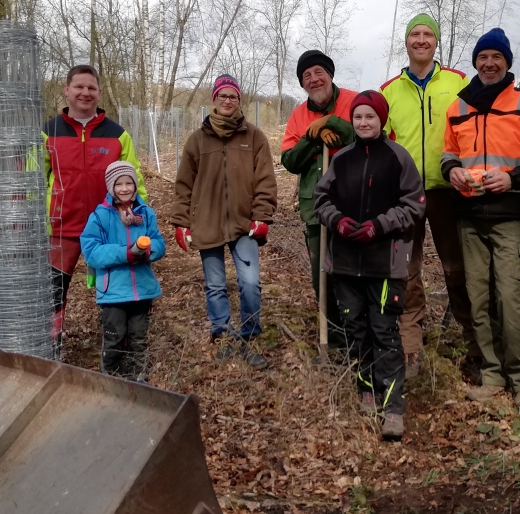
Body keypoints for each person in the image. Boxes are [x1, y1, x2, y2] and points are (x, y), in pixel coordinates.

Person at [442, 28, 520, 412]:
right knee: (479, 298)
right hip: (468, 215)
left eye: (497, 58)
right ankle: (491, 375)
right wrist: (451, 171)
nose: (489, 63)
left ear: (507, 63)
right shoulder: (458, 106)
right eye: (483, 57)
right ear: (475, 62)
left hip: (510, 217)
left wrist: (511, 178)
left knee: (510, 298)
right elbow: (447, 154)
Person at [314, 90, 425, 441]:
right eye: (358, 117)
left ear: (382, 120)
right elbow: (322, 199)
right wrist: (339, 223)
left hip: (384, 262)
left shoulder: (398, 158)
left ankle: (393, 407)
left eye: (370, 117)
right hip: (345, 263)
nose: (363, 123)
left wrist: (379, 224)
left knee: (384, 332)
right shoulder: (341, 159)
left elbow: (414, 204)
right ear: (352, 120)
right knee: (356, 331)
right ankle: (367, 390)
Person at [380, 13, 476, 382]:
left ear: (436, 41)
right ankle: (410, 349)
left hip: (450, 191)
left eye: (427, 35)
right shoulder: (390, 89)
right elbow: (382, 142)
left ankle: (475, 348)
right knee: (406, 270)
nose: (420, 40)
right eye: (414, 35)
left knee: (458, 269)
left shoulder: (457, 82)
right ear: (406, 42)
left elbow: (474, 131)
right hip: (405, 196)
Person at [169, 75, 278, 369]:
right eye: (222, 96)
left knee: (250, 283)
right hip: (207, 223)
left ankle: (250, 334)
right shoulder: (197, 139)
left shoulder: (254, 137)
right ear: (214, 99)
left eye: (233, 96)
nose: (228, 101)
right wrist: (181, 222)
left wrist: (262, 215)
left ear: (239, 100)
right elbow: (184, 185)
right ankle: (223, 334)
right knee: (215, 285)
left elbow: (266, 181)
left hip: (245, 224)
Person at [44, 64, 146, 352]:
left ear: (99, 93)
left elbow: (134, 179)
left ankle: (118, 349)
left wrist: (140, 216)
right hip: (61, 228)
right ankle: (50, 346)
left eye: (91, 88)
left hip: (108, 229)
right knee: (53, 290)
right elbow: (32, 180)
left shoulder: (118, 135)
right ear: (66, 90)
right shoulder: (47, 133)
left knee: (115, 291)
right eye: (79, 87)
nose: (85, 93)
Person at [280, 50, 357, 349]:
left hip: (352, 203)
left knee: (352, 273)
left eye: (318, 72)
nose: (313, 79)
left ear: (330, 74)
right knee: (321, 277)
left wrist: (334, 124)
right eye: (306, 76)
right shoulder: (298, 115)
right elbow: (289, 160)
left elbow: (367, 134)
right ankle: (336, 343)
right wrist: (311, 138)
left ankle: (358, 337)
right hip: (315, 207)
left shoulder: (353, 101)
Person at [80, 161, 166, 380]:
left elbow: (158, 242)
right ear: (111, 187)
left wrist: (149, 251)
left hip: (142, 289)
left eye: (129, 183)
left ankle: (139, 377)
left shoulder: (145, 213)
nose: (125, 188)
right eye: (119, 184)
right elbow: (92, 251)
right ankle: (110, 376)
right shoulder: (100, 216)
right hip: (113, 291)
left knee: (139, 336)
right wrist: (125, 253)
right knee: (114, 335)